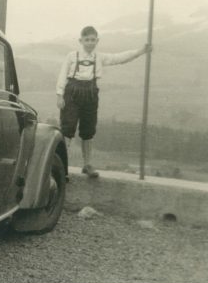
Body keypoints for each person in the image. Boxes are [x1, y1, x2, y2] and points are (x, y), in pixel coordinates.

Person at [56, 25, 151, 178]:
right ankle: (62, 167)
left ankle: (87, 165)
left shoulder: (99, 57)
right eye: (87, 40)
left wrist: (140, 51)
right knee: (68, 129)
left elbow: (119, 58)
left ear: (97, 41)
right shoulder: (72, 56)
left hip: (91, 94)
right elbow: (62, 75)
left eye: (93, 40)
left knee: (88, 130)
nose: (90, 43)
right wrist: (59, 95)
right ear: (81, 40)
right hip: (72, 94)